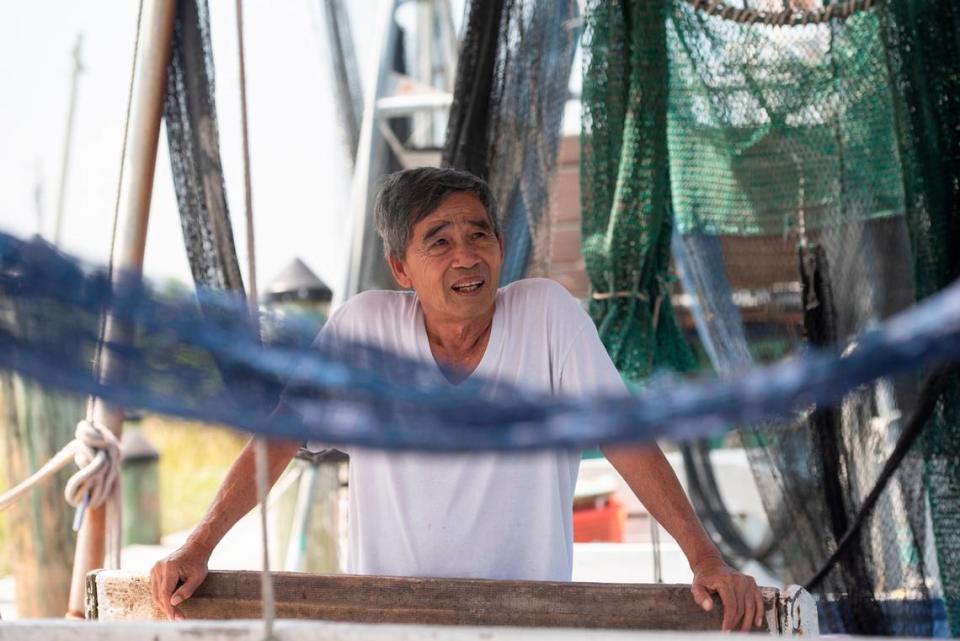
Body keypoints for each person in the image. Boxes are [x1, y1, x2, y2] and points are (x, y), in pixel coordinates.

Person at [150, 167, 763, 630]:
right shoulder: (363, 330)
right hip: (389, 627)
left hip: (528, 624)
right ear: (401, 267)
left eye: (479, 234)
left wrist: (705, 559)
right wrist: (198, 546)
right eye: (438, 241)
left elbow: (624, 436)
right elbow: (278, 440)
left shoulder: (547, 314)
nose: (466, 255)